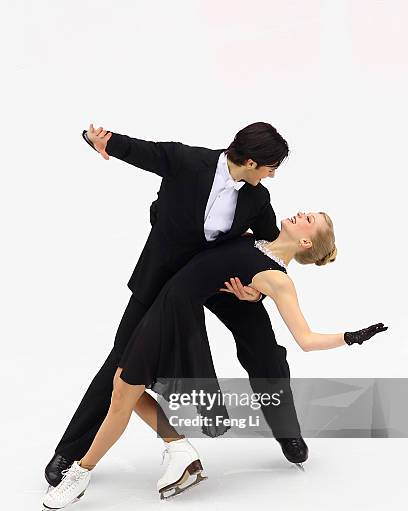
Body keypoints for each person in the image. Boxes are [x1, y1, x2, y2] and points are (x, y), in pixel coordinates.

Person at [42, 211, 388, 511]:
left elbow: (305, 339)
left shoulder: (278, 280)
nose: (301, 214)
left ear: (306, 244)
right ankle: (178, 448)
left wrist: (350, 337)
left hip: (175, 316)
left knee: (123, 392)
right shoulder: (252, 237)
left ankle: (81, 474)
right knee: (122, 388)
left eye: (309, 220)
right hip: (167, 306)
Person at [45, 121, 310, 489]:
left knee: (264, 349)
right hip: (164, 280)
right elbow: (142, 151)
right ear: (250, 162)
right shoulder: (186, 161)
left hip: (223, 281)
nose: (273, 175)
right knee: (123, 358)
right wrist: (101, 140)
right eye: (271, 167)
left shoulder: (257, 197)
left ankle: (287, 430)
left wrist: (256, 292)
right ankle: (70, 452)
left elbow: (270, 247)